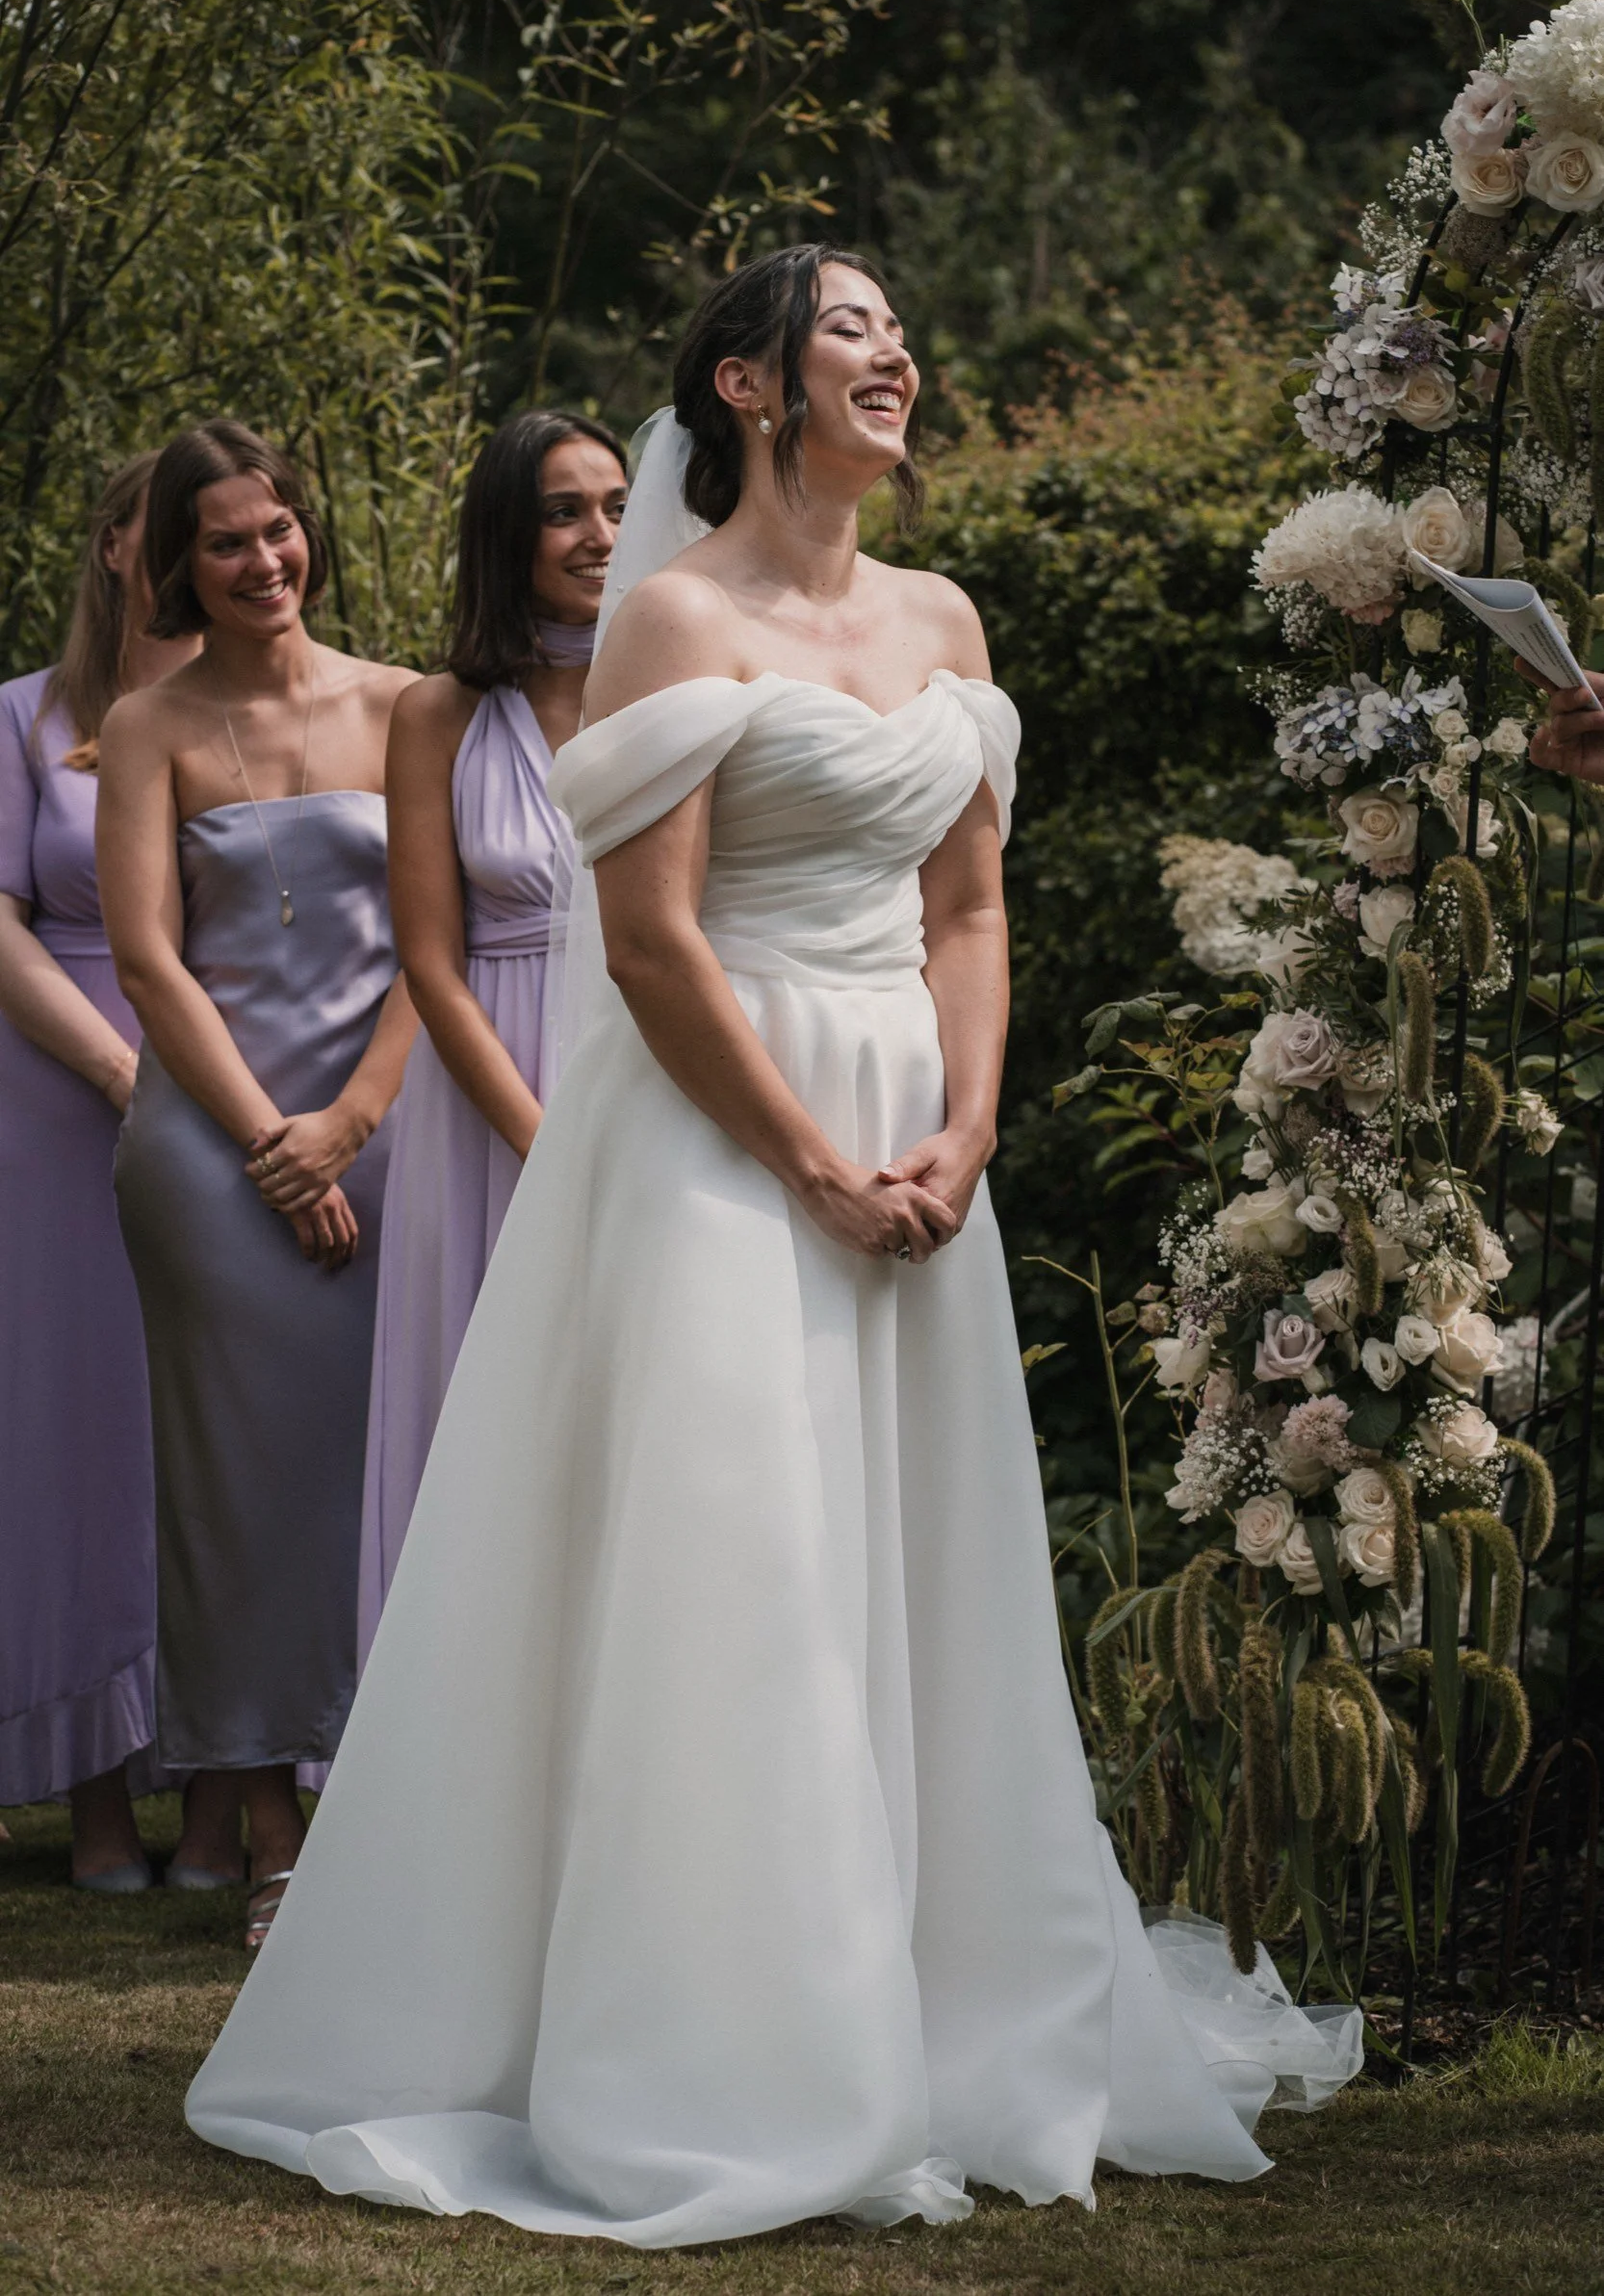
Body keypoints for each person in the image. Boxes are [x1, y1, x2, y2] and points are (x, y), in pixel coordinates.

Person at [185, 248, 1325, 2238]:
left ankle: (943, 2000)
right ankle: (726, 2041)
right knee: (746, 1565)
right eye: (852, 327)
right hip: (724, 1137)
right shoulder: (674, 620)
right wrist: (807, 1157)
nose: (896, 352)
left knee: (915, 1562)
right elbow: (648, 941)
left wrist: (961, 1127)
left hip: (910, 1133)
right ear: (745, 381)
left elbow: (965, 911)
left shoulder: (942, 617)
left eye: (902, 323)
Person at [99, 421, 416, 1949]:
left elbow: (449, 943)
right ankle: (271, 1832)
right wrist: (272, 1152)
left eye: (277, 529)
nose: (261, 561)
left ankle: (398, 1800)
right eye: (224, 540)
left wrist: (349, 1122)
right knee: (234, 1486)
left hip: (388, 1127)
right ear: (180, 562)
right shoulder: (149, 729)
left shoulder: (410, 705)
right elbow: (151, 964)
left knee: (389, 1471)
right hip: (210, 1154)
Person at [359, 411, 626, 1659]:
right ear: (507, 535)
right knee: (490, 1416)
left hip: (649, 1069)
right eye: (565, 511)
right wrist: (542, 1138)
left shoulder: (679, 686)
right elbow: (429, 958)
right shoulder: (437, 716)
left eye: (617, 505)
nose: (599, 535)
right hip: (490, 1102)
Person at [0, 455, 201, 1890]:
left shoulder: (264, 709)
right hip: (61, 1099)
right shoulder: (23, 718)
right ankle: (94, 1796)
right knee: (79, 1437)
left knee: (211, 1429)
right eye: (174, 525)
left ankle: (224, 1786)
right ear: (116, 546)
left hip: (243, 1081)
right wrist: (123, 1071)